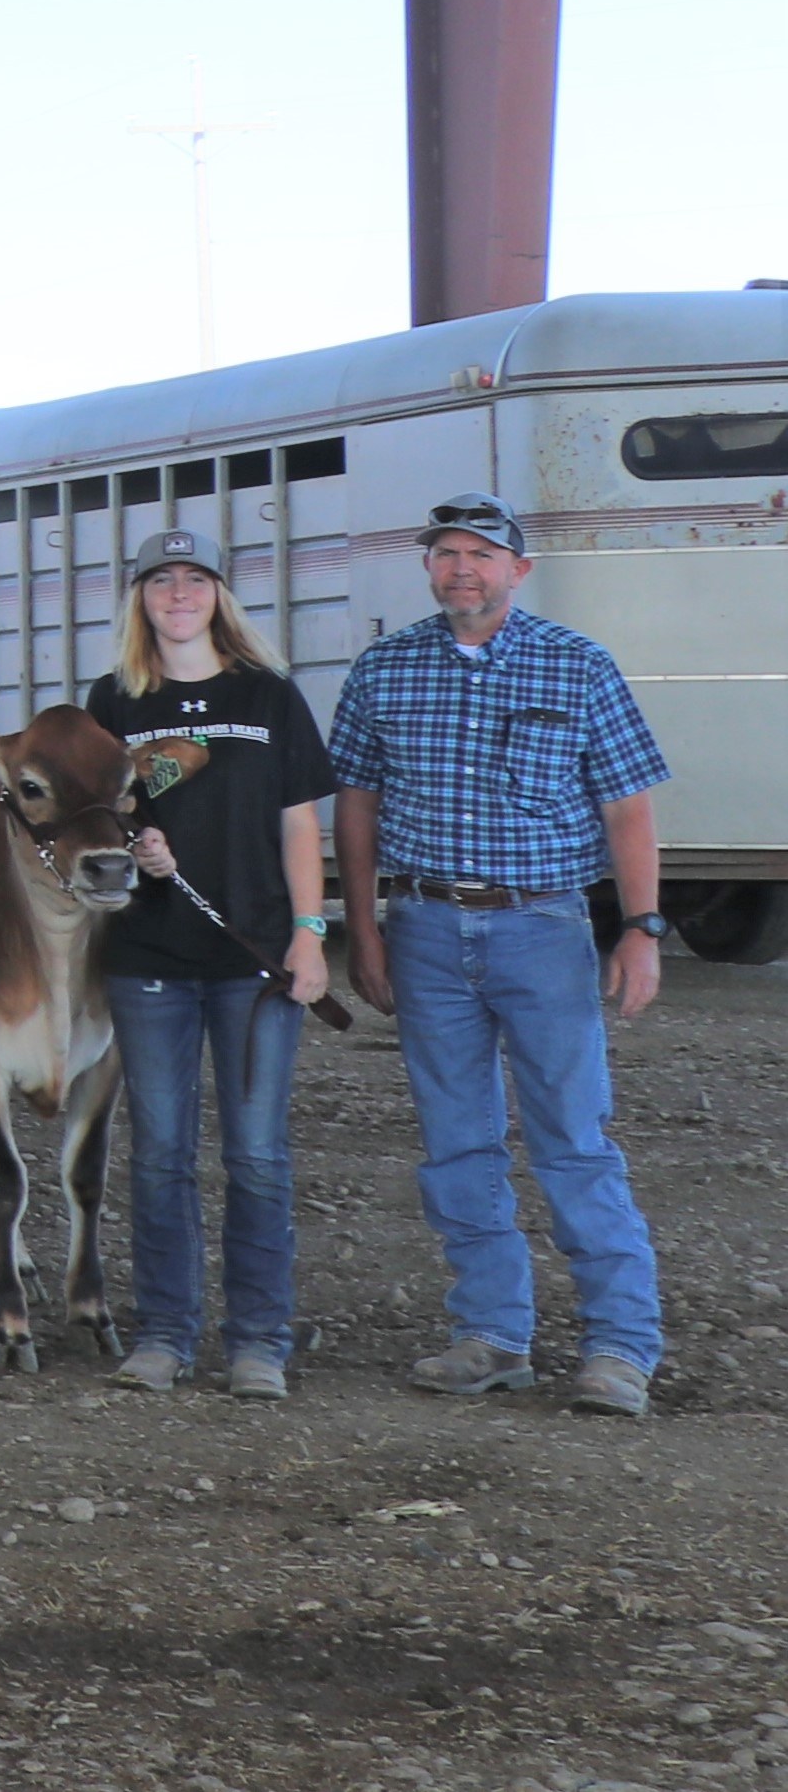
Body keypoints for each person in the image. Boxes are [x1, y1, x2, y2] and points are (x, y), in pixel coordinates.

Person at [330, 491, 672, 1418]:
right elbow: (353, 803)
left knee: (571, 1138)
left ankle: (618, 1346)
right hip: (424, 929)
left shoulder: (577, 666)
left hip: (542, 930)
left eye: (481, 553)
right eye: (445, 553)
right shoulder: (385, 669)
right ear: (429, 569)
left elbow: (627, 806)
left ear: (517, 571)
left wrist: (639, 929)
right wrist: (361, 930)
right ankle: (491, 1334)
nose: (461, 569)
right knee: (456, 1143)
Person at [80, 526, 332, 1402]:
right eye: (161, 581)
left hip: (255, 957)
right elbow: (88, 819)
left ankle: (258, 1339)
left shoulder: (268, 696)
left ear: (220, 593)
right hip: (149, 953)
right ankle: (163, 1332)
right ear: (139, 598)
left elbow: (300, 823)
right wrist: (133, 843)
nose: (178, 594)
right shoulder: (110, 700)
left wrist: (310, 932)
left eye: (194, 579)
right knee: (158, 1152)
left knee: (256, 1153)